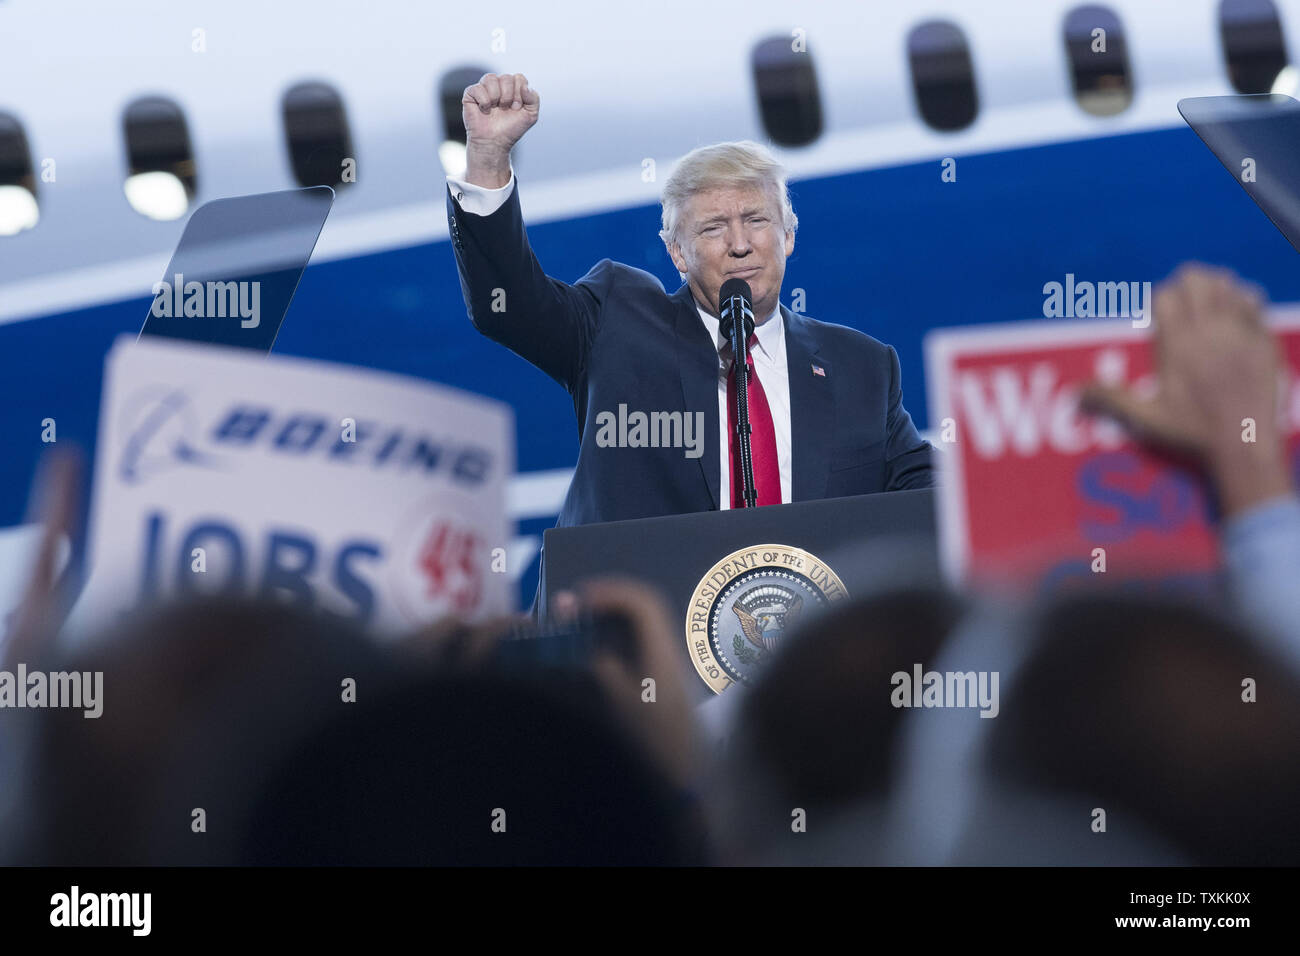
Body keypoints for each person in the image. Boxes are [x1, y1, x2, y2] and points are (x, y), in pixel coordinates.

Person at [446, 72, 934, 531]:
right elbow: (505, 306)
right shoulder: (617, 325)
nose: (740, 244)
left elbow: (930, 494)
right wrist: (488, 158)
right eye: (713, 228)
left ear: (788, 235)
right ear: (677, 252)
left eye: (757, 220)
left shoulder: (863, 367)